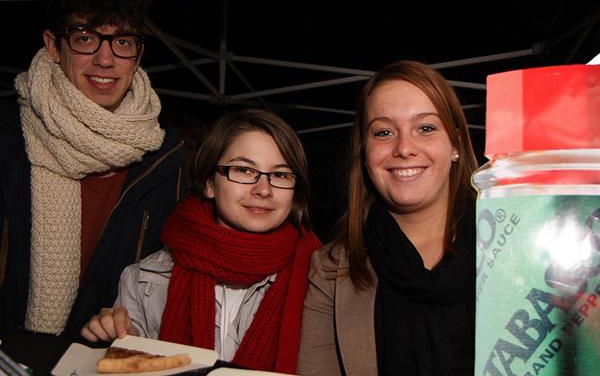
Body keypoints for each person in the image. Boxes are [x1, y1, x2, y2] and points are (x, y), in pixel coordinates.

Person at [0, 0, 187, 338]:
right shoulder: (8, 136)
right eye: (85, 38)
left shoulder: (165, 156)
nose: (105, 59)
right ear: (54, 46)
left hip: (106, 357)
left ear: (138, 55)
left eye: (122, 41)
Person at [81, 109, 322, 374]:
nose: (263, 189)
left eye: (280, 175)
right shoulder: (144, 279)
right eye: (243, 170)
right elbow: (128, 363)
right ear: (209, 183)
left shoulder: (321, 279)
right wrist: (124, 338)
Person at [297, 60, 479, 376]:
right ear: (365, 155)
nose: (404, 148)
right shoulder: (330, 270)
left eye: (425, 128)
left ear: (456, 145)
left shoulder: (518, 248)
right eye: (383, 132)